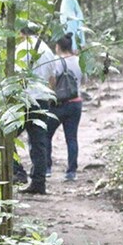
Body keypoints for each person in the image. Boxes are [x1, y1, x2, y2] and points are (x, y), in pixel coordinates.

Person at [16, 26, 56, 195]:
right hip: (41, 100)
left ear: (22, 33)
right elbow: (52, 79)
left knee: (5, 137)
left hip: (23, 100)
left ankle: (17, 172)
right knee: (38, 141)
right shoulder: (48, 51)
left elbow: (17, 76)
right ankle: (39, 181)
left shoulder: (21, 49)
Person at [46, 33, 83, 182]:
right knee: (72, 138)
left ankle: (47, 168)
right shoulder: (80, 61)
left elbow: (52, 80)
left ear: (58, 47)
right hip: (75, 102)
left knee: (47, 135)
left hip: (58, 103)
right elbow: (83, 79)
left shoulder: (56, 61)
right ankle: (71, 171)